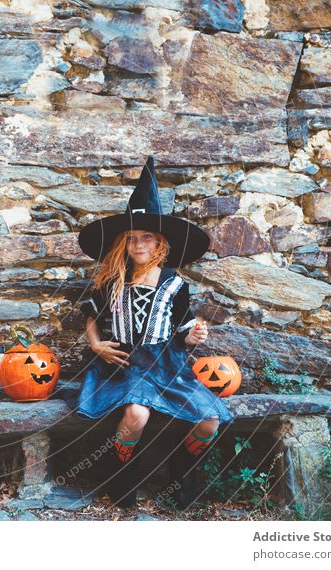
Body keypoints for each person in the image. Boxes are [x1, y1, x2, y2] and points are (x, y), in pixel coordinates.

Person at [75, 156, 234, 510]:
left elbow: (183, 325)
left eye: (146, 238)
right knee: (137, 415)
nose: (138, 245)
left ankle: (184, 470)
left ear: (160, 242)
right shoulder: (111, 280)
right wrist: (96, 344)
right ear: (123, 243)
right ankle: (122, 472)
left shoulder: (175, 284)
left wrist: (194, 336)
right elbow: (90, 314)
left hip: (166, 365)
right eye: (131, 238)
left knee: (209, 420)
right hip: (124, 364)